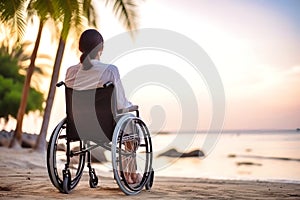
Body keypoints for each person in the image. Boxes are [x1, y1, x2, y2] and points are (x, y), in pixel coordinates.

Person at [65, 29, 141, 184]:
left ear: (81, 47)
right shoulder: (110, 71)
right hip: (106, 127)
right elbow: (120, 104)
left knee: (127, 121)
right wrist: (132, 106)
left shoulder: (70, 72)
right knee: (131, 121)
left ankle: (128, 172)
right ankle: (129, 172)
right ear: (101, 49)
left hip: (78, 126)